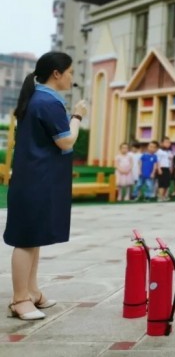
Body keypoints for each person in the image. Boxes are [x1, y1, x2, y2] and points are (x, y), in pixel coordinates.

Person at [3, 52, 88, 321]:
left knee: (33, 237)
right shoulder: (48, 102)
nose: (72, 78)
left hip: (35, 178)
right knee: (26, 239)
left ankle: (32, 291)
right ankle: (19, 299)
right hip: (36, 180)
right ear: (56, 73)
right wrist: (77, 116)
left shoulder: (38, 98)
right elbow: (66, 142)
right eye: (71, 72)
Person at [156, 137, 173, 202]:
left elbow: (170, 161)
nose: (168, 144)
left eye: (169, 142)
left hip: (167, 168)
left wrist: (171, 168)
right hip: (162, 168)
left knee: (167, 183)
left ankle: (164, 196)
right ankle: (160, 196)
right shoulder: (159, 151)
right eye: (166, 142)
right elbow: (157, 161)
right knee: (162, 183)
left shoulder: (169, 152)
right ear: (162, 143)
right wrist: (159, 169)